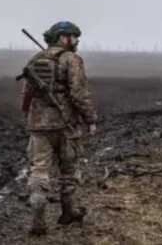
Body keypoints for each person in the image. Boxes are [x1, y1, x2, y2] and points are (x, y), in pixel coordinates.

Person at [22, 21, 98, 236]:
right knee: (69, 170)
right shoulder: (71, 59)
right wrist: (90, 118)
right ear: (64, 38)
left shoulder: (35, 59)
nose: (76, 41)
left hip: (38, 125)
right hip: (65, 125)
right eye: (74, 36)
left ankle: (38, 220)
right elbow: (79, 93)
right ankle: (68, 212)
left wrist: (32, 118)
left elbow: (27, 95)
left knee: (39, 171)